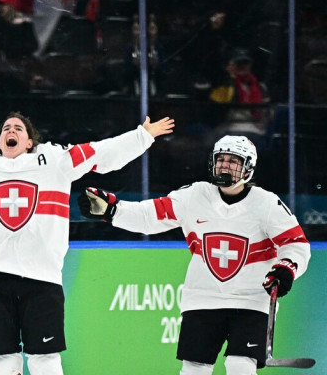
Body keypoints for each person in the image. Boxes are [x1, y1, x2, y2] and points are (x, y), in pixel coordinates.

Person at [0, 111, 174, 374]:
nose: (10, 131)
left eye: (18, 128)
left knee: (45, 358)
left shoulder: (55, 161)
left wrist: (141, 136)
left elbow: (101, 153)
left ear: (29, 141)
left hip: (41, 278)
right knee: (2, 359)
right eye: (5, 128)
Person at [78, 135, 311, 375]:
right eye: (220, 159)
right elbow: (149, 215)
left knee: (240, 365)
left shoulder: (267, 204)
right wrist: (113, 210)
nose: (224, 166)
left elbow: (296, 244)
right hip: (203, 297)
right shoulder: (194, 196)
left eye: (233, 161)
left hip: (252, 299)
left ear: (248, 167)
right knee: (194, 369)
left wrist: (286, 268)